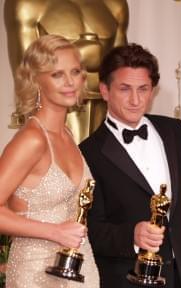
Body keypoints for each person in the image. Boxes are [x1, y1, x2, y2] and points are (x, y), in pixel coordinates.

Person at [79, 43, 181, 288]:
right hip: (127, 279)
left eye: (143, 89)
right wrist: (131, 235)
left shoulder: (174, 130)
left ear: (153, 90)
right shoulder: (88, 152)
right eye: (125, 89)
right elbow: (90, 230)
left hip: (180, 275)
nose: (135, 100)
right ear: (104, 90)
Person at [0, 35, 99, 287]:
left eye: (75, 72)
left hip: (80, 268)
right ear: (36, 80)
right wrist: (54, 232)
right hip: (36, 273)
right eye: (57, 74)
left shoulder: (66, 134)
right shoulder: (32, 140)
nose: (69, 82)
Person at [4, 0, 129, 143]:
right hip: (54, 114)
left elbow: (121, 74)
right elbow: (27, 73)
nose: (70, 79)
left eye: (75, 71)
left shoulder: (115, 4)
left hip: (106, 114)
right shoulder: (27, 4)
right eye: (59, 74)